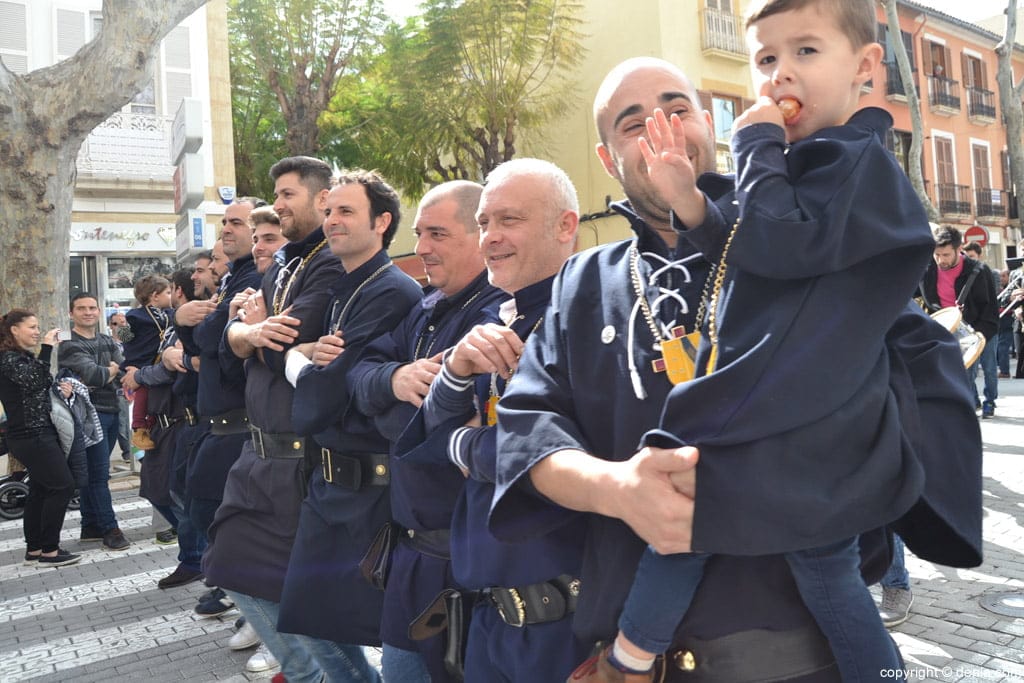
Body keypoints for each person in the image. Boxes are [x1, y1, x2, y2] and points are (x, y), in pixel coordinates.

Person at [491, 54, 981, 683]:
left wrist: (836, 460)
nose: (663, 129)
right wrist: (618, 489)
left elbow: (927, 370)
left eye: (677, 110)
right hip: (634, 660)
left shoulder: (798, 243)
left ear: (708, 125)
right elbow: (526, 426)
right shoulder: (581, 281)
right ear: (609, 158)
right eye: (634, 124)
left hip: (803, 659)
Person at [393, 158, 589, 681]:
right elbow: (429, 435)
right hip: (491, 620)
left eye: (510, 220)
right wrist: (456, 370)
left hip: (567, 630)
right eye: (483, 222)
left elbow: (555, 454)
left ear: (565, 226)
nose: (490, 237)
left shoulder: (592, 315)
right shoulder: (497, 317)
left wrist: (463, 446)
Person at [347, 180, 505, 682]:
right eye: (419, 233)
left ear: (480, 235)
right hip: (410, 556)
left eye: (437, 233)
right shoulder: (426, 306)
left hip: (467, 563)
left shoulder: (496, 314)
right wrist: (394, 380)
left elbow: (434, 430)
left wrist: (391, 410)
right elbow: (359, 376)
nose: (421, 248)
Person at [274, 170, 423, 680]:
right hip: (329, 485)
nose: (331, 221)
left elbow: (321, 400)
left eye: (346, 211)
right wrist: (311, 364)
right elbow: (324, 388)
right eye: (329, 211)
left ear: (381, 222)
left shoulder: (391, 291)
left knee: (348, 627)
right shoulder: (347, 288)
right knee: (309, 620)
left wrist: (295, 360)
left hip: (366, 494)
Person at [202, 157, 346, 683]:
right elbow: (233, 341)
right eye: (277, 194)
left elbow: (284, 339)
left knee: (287, 587)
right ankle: (314, 673)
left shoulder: (329, 262)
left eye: (288, 194)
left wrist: (259, 336)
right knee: (226, 565)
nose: (278, 205)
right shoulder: (285, 262)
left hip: (297, 460)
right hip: (257, 451)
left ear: (322, 197)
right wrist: (250, 332)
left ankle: (316, 675)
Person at [0, 309, 80, 567]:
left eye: (38, 327)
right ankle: (50, 550)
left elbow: (38, 384)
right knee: (62, 486)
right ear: (15, 330)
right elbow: (35, 380)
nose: (37, 331)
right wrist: (47, 348)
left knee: (41, 488)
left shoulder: (19, 357)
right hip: (31, 435)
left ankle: (35, 549)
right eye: (32, 327)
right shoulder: (8, 358)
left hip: (34, 433)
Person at [58, 292, 131, 551]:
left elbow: (125, 368)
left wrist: (111, 371)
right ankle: (110, 529)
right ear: (71, 313)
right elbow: (94, 375)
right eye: (81, 308)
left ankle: (90, 525)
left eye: (92, 308)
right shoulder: (69, 344)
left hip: (112, 410)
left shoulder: (106, 339)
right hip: (88, 415)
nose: (88, 312)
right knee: (100, 474)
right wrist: (110, 370)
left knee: (92, 473)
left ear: (99, 312)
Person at [919, 225, 999, 416]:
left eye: (946, 255)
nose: (941, 260)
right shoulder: (926, 269)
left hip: (976, 331)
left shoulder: (980, 271)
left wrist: (977, 337)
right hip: (943, 332)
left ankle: (985, 403)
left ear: (959, 249)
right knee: (953, 381)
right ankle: (964, 411)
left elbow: (990, 311)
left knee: (980, 373)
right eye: (937, 255)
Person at [118, 274, 173, 451]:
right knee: (143, 391)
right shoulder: (136, 316)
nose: (171, 296)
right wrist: (122, 327)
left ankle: (150, 423)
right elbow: (125, 338)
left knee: (154, 392)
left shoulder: (170, 314)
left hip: (157, 359)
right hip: (140, 359)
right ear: (155, 296)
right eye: (168, 293)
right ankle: (139, 427)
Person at [963, 242, 1000, 414]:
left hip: (988, 330)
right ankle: (974, 400)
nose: (968, 260)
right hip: (969, 330)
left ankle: (990, 401)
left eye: (971, 257)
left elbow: (991, 299)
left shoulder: (988, 272)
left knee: (989, 369)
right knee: (968, 370)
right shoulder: (962, 274)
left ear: (979, 255)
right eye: (966, 256)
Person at [997, 269, 1015, 378]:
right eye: (1000, 276)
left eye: (1004, 276)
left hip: (1008, 321)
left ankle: (1004, 371)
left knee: (1003, 346)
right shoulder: (1001, 289)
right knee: (1001, 345)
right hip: (1001, 321)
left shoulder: (1012, 288)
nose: (1001, 278)